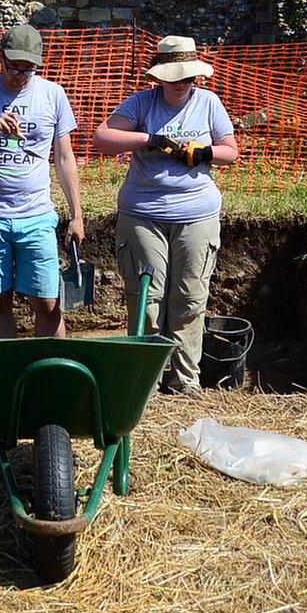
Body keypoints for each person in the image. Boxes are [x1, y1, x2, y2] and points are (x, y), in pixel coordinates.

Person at [92, 35, 241, 393]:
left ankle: (185, 380)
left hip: (197, 214)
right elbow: (103, 137)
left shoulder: (208, 103)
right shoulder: (142, 103)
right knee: (147, 299)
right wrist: (149, 140)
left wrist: (202, 153)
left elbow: (230, 151)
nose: (181, 84)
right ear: (159, 77)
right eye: (173, 78)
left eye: (187, 78)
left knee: (189, 297)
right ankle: (147, 380)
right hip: (143, 214)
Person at [0, 24, 84, 338]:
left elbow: (64, 158)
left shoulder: (53, 94)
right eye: (14, 69)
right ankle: (9, 380)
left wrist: (77, 215)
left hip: (36, 216)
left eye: (29, 70)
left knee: (48, 303)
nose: (21, 76)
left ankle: (51, 377)